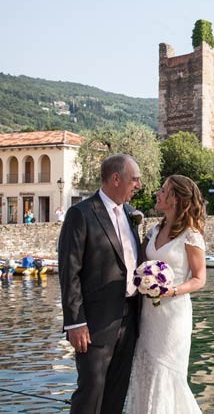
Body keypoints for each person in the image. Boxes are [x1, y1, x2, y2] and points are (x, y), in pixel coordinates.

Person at [58, 153, 142, 414]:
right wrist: (75, 322)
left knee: (116, 391)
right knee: (91, 390)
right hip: (93, 323)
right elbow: (69, 271)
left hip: (129, 319)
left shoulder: (130, 214)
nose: (138, 185)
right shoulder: (80, 214)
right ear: (116, 179)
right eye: (134, 179)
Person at [126, 175, 206, 413]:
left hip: (174, 315)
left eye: (163, 191)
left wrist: (171, 290)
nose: (157, 194)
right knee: (146, 369)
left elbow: (199, 279)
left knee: (167, 372)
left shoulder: (191, 235)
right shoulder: (153, 231)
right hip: (149, 314)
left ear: (176, 198)